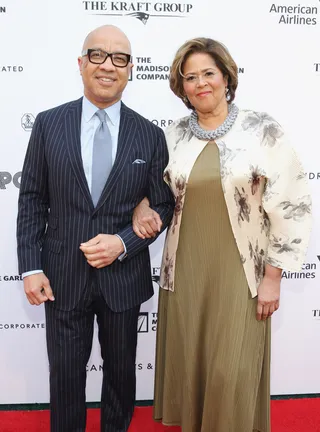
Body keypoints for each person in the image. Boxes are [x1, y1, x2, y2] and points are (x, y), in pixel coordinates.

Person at [132, 37, 312, 432]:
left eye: (208, 73)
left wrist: (272, 278)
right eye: (190, 77)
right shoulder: (174, 135)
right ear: (181, 88)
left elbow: (292, 204)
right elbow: (152, 190)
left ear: (226, 76)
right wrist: (141, 205)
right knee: (193, 374)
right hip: (185, 274)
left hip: (241, 276)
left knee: (231, 375)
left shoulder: (261, 129)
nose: (201, 83)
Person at [16, 25, 174, 432]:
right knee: (65, 376)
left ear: (131, 69)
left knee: (121, 378)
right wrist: (31, 267)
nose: (109, 65)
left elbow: (162, 203)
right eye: (98, 55)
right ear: (82, 63)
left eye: (120, 58)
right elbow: (32, 198)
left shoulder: (150, 135)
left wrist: (122, 243)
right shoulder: (49, 124)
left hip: (123, 279)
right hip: (62, 275)